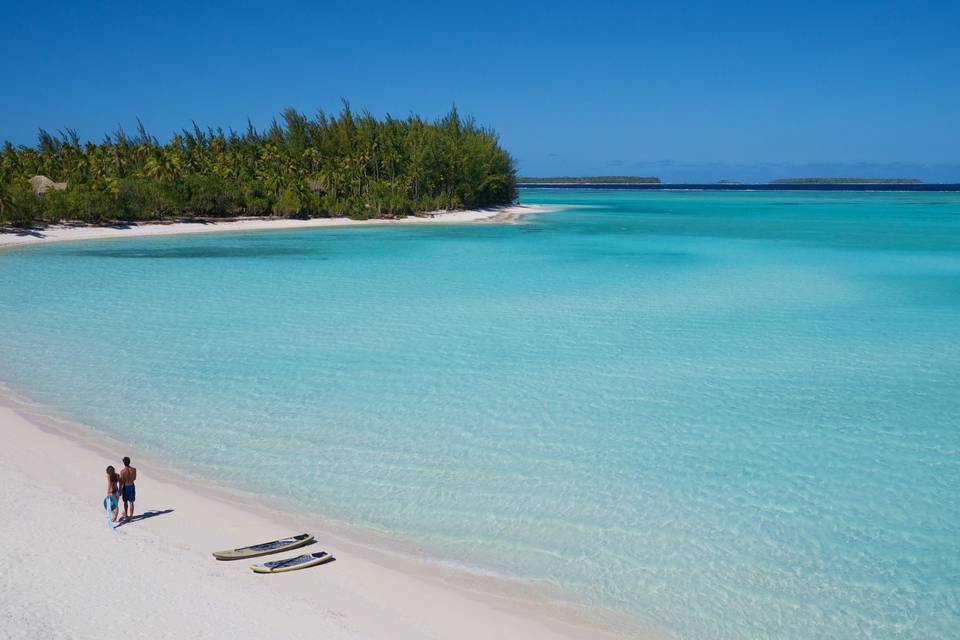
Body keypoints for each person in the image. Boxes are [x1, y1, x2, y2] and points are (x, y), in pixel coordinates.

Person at [119, 456, 137, 521]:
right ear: (129, 462)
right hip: (131, 485)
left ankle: (126, 515)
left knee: (125, 502)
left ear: (123, 463)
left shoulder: (122, 472)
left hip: (125, 487)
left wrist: (120, 490)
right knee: (131, 502)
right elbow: (134, 478)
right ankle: (131, 517)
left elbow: (121, 482)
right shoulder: (134, 470)